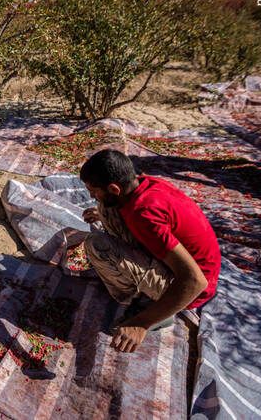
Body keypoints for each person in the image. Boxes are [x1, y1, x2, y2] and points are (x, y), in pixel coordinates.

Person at [79, 149, 221, 353]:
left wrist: (142, 323)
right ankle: (150, 295)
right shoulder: (145, 184)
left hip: (191, 289)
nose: (92, 196)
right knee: (105, 209)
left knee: (97, 246)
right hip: (190, 267)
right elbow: (113, 206)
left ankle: (147, 304)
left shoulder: (144, 216)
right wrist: (103, 216)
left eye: (94, 191)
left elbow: (196, 281)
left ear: (113, 188)